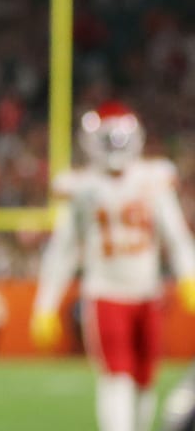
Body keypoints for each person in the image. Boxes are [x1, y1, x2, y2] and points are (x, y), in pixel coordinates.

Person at [31, 102, 195, 431]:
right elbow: (63, 251)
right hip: (106, 293)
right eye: (108, 140)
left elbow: (175, 236)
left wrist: (189, 276)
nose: (114, 148)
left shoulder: (152, 179)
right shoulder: (83, 188)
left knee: (145, 377)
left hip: (147, 293)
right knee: (117, 375)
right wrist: (45, 304)